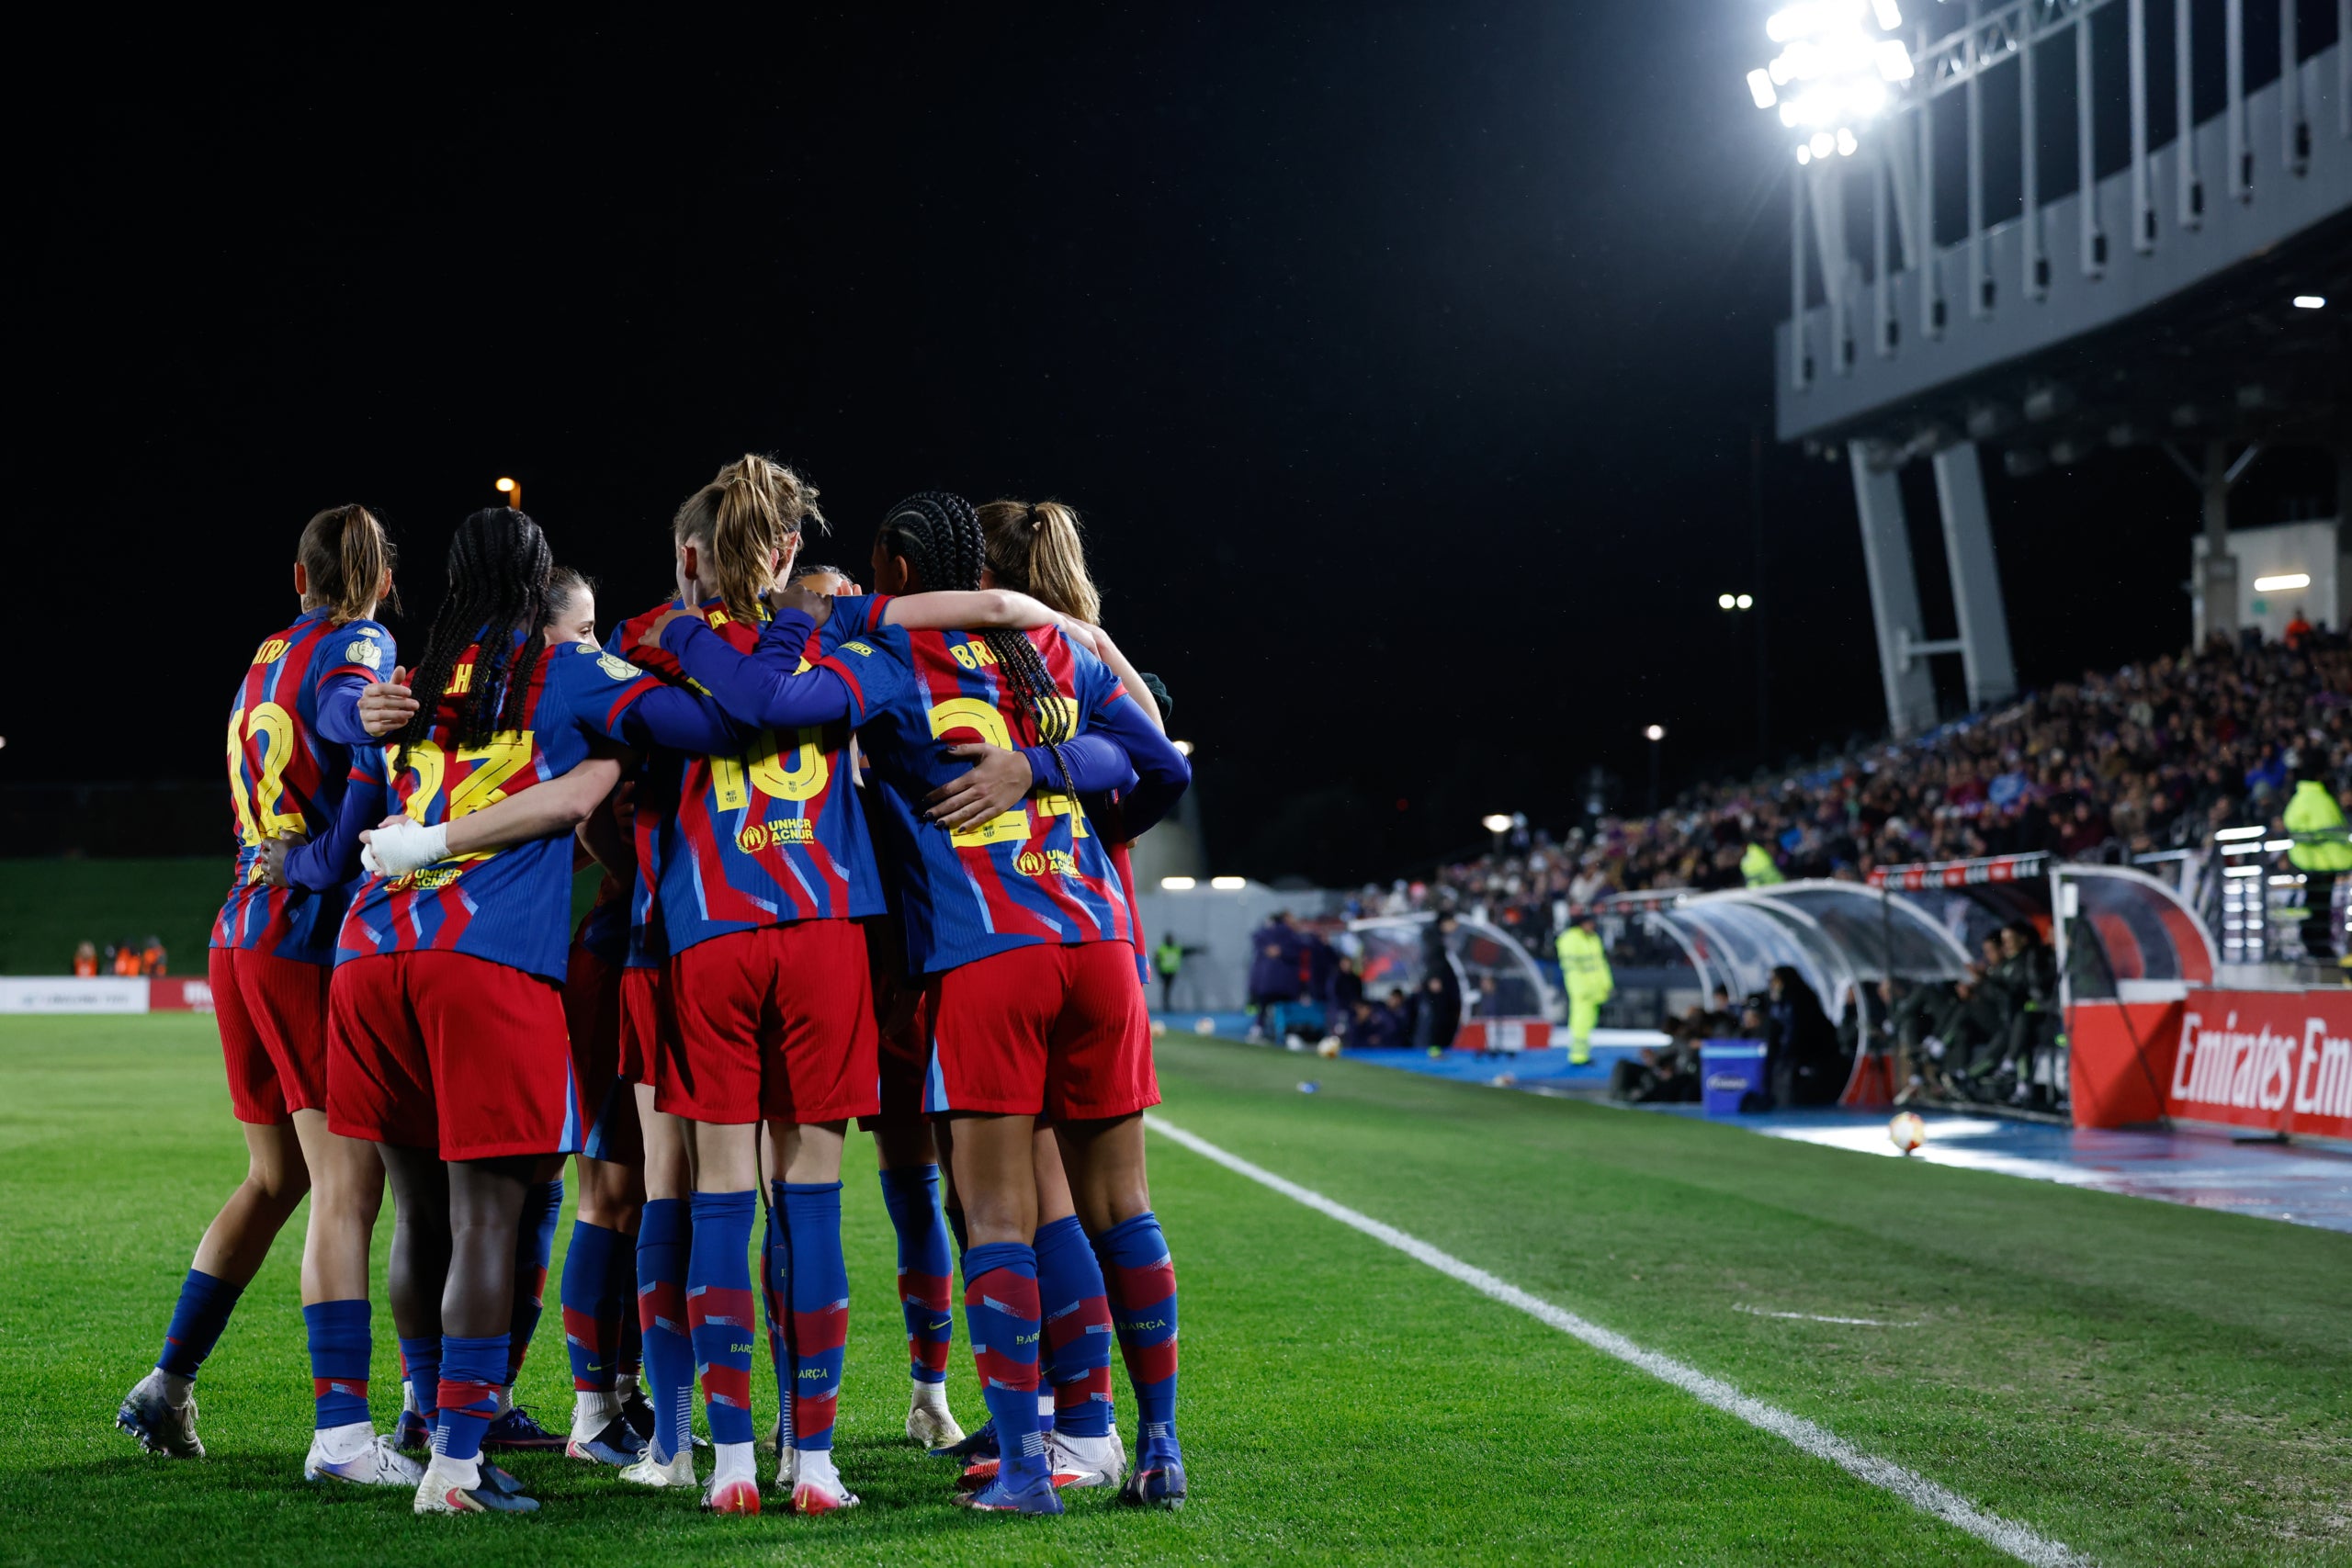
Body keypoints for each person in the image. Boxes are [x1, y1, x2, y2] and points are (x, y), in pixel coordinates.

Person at [657, 491, 1191, 1514]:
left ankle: (1029, 1466)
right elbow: (1160, 763)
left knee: (993, 1213)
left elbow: (771, 707)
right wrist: (1045, 769)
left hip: (986, 946)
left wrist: (767, 621)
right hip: (1098, 943)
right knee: (1116, 1208)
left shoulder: (888, 656)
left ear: (895, 573)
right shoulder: (1055, 652)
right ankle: (1151, 1445)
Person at [297, 505, 740, 1516]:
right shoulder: (569, 672)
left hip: (370, 955)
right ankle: (457, 1463)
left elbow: (360, 786)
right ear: (544, 583)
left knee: (417, 1216)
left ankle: (421, 1418)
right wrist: (615, 751)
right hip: (483, 960)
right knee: (491, 1217)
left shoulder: (413, 679)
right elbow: (711, 721)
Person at [116, 503, 421, 1488]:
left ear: (297, 579)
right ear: (375, 582)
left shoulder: (262, 657)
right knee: (348, 1186)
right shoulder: (361, 642)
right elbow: (347, 709)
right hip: (300, 939)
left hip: (239, 933)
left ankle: (167, 1385)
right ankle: (340, 1436)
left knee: (276, 1178)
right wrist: (340, 841)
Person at [2283, 773, 2352, 965]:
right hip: (2324, 864)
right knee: (2318, 907)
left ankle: (2317, 945)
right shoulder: (2324, 802)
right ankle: (2318, 947)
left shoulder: (2303, 799)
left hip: (2316, 864)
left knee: (2316, 906)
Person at [1555, 911, 1612, 1066]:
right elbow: (1572, 968)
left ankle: (1582, 1053)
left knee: (1588, 1022)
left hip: (1595, 990)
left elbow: (1601, 965)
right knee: (1580, 1022)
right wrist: (1581, 989)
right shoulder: (1570, 939)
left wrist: (1606, 984)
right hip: (1582, 991)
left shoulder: (1593, 939)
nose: (1592, 925)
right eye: (1590, 922)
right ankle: (1578, 1056)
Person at [1247, 911, 1306, 1043]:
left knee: (1263, 1007)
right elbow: (1300, 947)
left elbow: (1255, 936)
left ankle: (1259, 1030)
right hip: (1285, 981)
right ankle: (1287, 1033)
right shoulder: (1290, 934)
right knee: (1286, 1008)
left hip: (1265, 982)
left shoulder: (1266, 932)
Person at [1152, 933, 1187, 1013]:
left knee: (1168, 989)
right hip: (1164, 972)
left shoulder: (1176, 948)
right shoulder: (1161, 949)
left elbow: (1186, 951)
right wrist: (1159, 972)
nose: (1170, 940)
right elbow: (1156, 961)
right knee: (1166, 989)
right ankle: (1166, 1006)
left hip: (1172, 972)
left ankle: (1167, 1005)